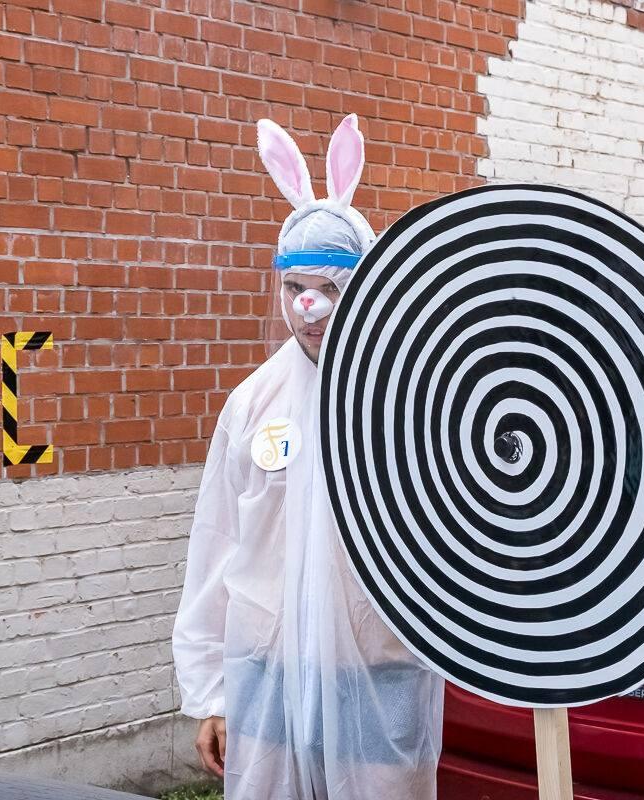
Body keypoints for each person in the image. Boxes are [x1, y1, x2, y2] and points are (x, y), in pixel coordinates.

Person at [172, 114, 444, 800]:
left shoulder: (409, 403)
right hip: (267, 675)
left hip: (380, 675)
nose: (310, 309)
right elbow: (217, 545)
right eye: (295, 290)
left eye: (330, 289)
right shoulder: (252, 405)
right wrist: (212, 692)